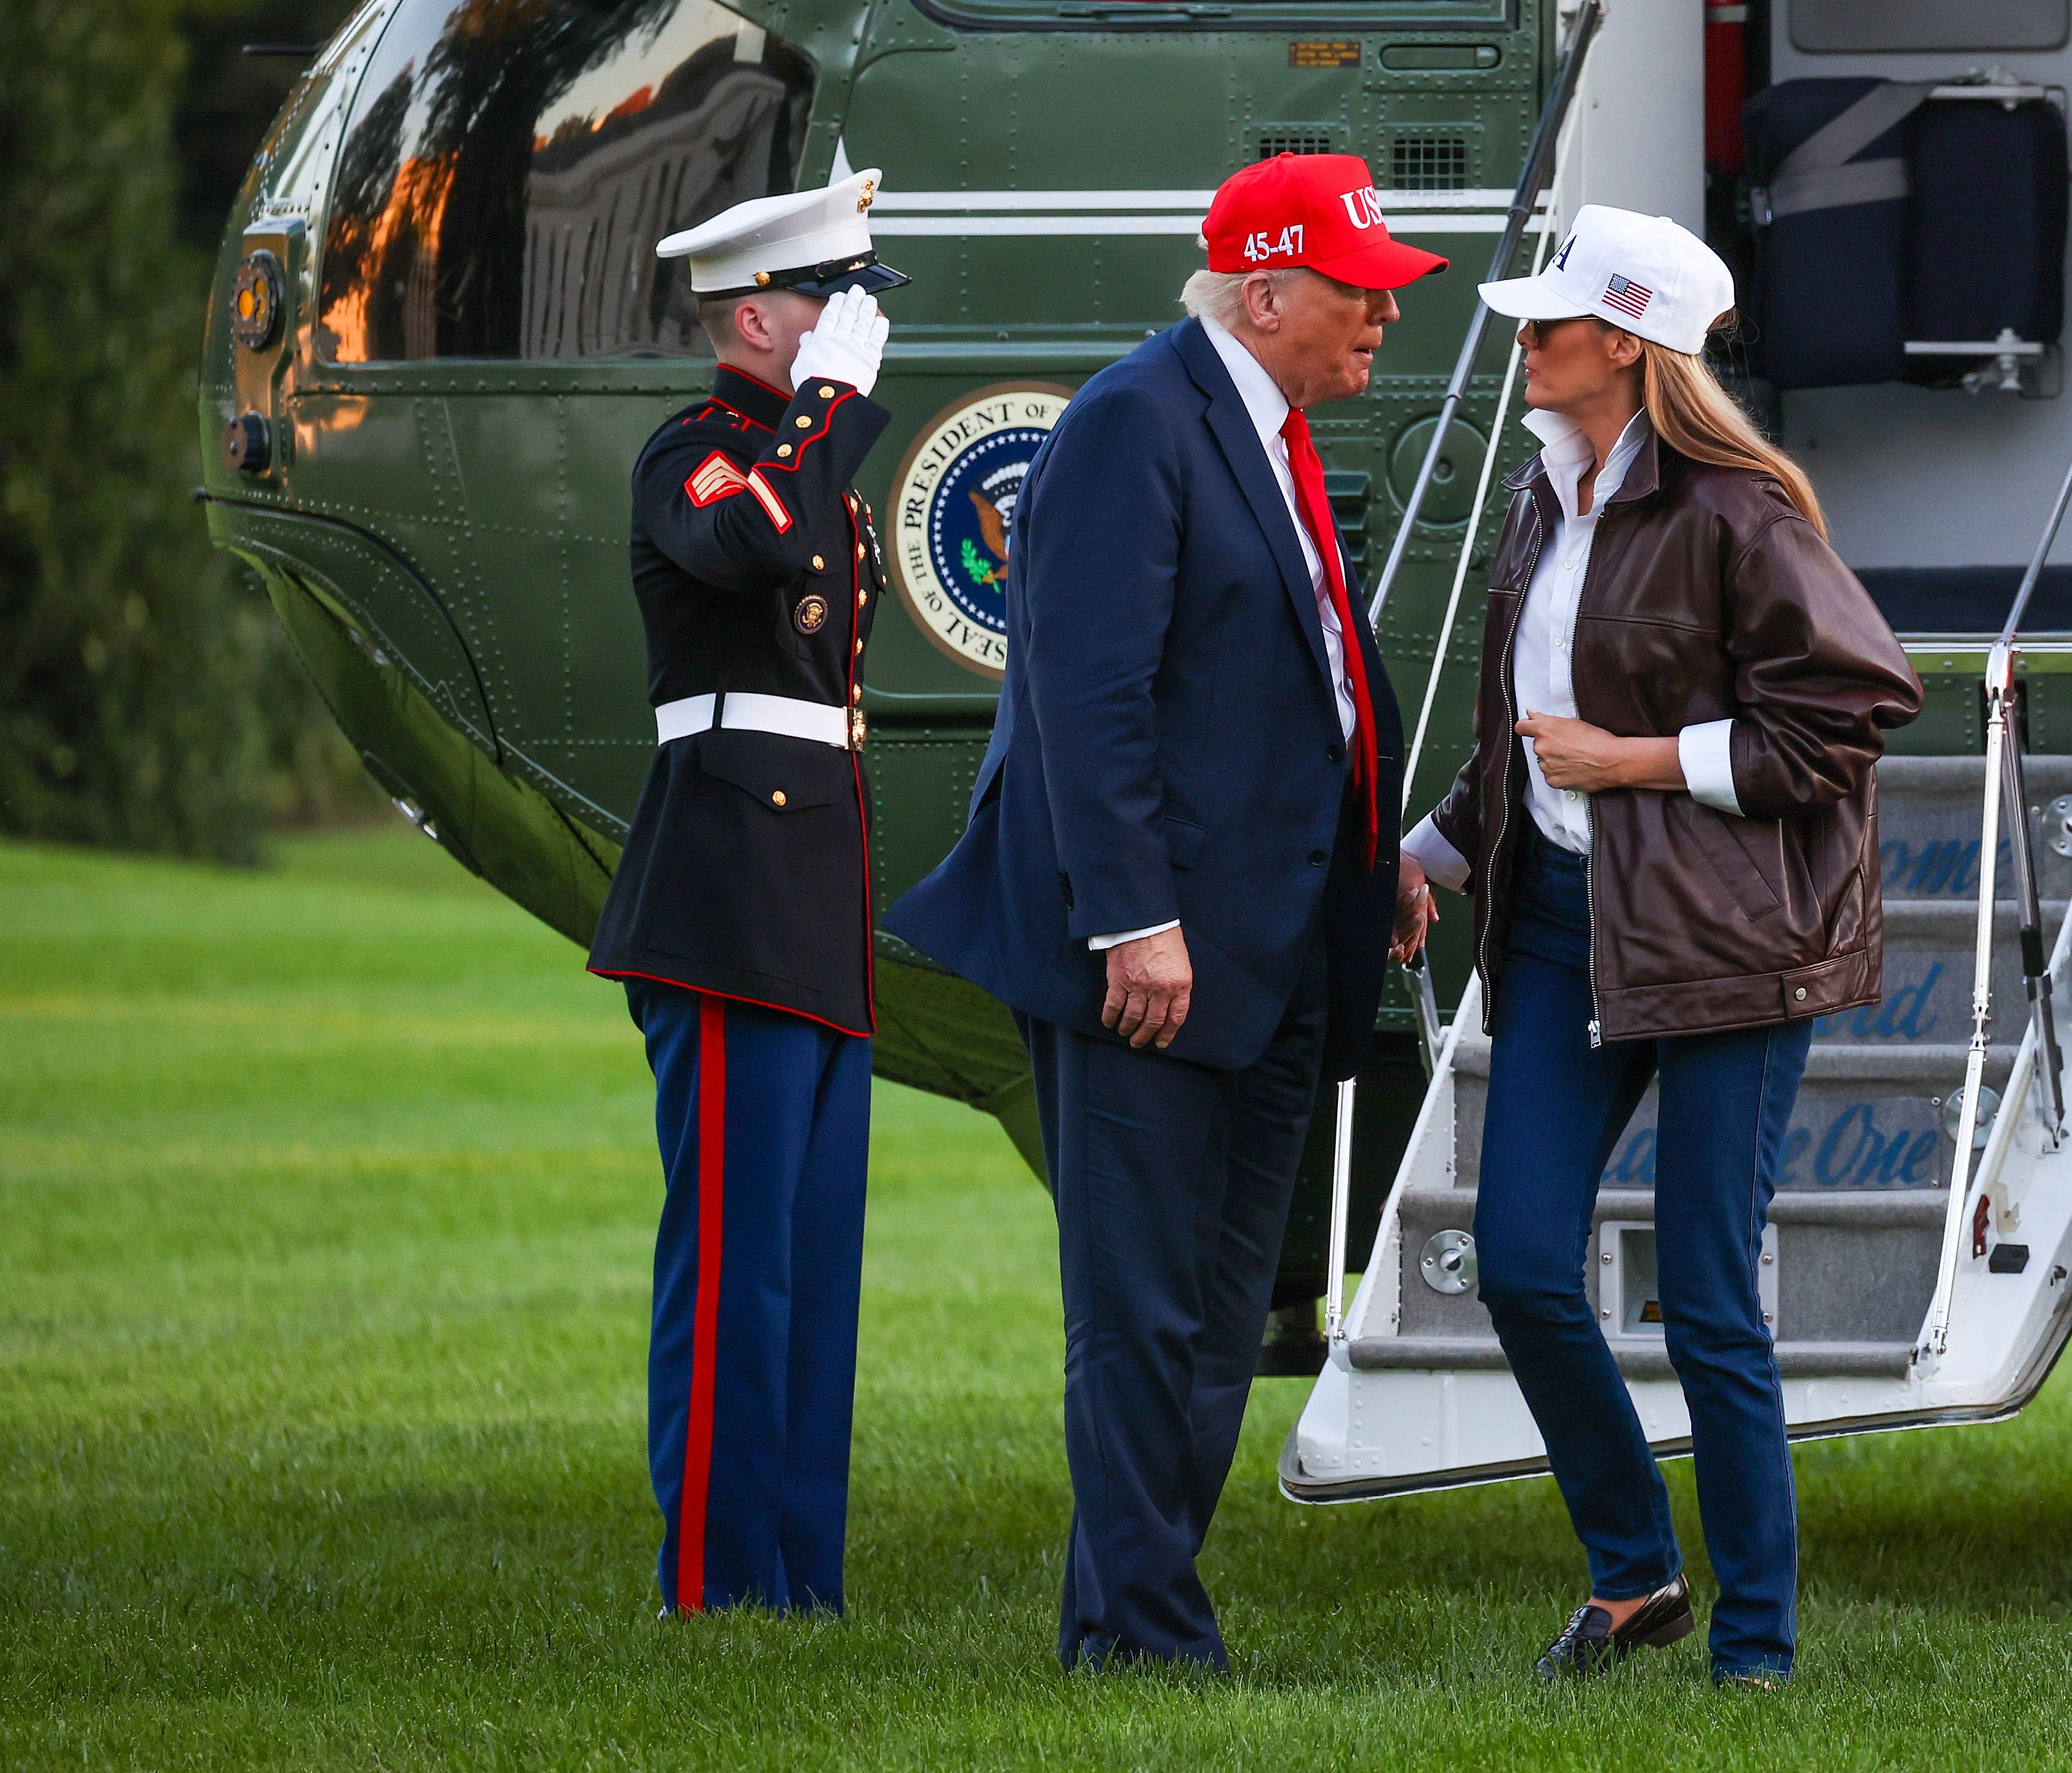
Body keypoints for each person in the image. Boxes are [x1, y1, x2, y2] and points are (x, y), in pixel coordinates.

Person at [886, 151, 1439, 1671]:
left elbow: (1290, 689)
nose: (1381, 322)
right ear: (1266, 294)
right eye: (1359, 292)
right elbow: (1086, 691)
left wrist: (1366, 853)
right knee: (1144, 1312)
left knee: (1211, 1312)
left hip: (1263, 947)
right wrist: (1131, 916)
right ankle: (1138, 1631)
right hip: (1160, 958)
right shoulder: (1140, 418)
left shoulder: (1259, 423)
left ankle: (1124, 1615)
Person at [1402, 208, 1923, 1688]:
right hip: (1571, 931)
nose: (1523, 341)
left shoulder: (1740, 514)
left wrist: (1632, 764)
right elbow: (1529, 735)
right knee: (1516, 1263)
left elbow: (1848, 719)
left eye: (1548, 323)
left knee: (1704, 1297)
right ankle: (1636, 1571)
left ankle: (1755, 1645)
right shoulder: (1540, 498)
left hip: (1733, 945)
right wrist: (1430, 855)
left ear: (1624, 346)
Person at [584, 169, 908, 1616]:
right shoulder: (699, 452)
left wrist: (820, 420)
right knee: (731, 1268)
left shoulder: (795, 453)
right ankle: (714, 1583)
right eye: (839, 303)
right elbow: (752, 542)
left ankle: (800, 1583)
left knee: (811, 1271)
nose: (863, 331)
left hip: (811, 899)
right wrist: (824, 410)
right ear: (766, 317)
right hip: (725, 901)